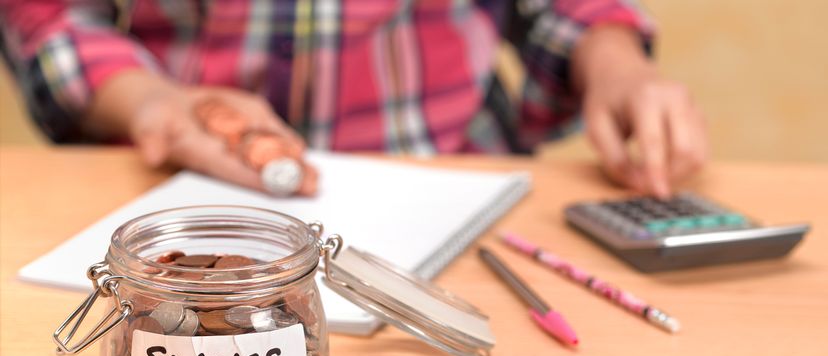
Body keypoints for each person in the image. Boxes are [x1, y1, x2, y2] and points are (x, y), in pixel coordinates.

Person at [0, 0, 706, 198]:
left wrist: (612, 58)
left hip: (457, 176)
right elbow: (51, 17)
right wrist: (151, 101)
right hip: (185, 184)